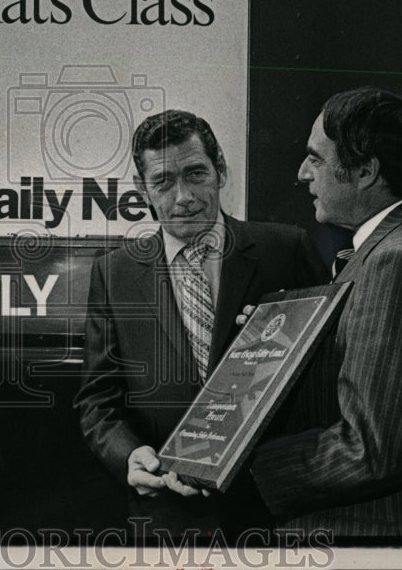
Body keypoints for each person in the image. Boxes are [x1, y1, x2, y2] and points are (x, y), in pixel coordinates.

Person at [75, 109, 326, 540]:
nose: (184, 197)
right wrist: (131, 456)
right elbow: (98, 401)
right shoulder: (114, 274)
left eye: (195, 173)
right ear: (142, 189)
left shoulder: (284, 250)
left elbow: (327, 377)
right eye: (164, 182)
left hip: (275, 515)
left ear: (221, 169)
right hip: (167, 520)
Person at [241, 87, 402, 537]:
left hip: (360, 535)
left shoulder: (397, 260)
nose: (302, 173)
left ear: (366, 171)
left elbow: (370, 449)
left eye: (316, 159)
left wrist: (243, 471)